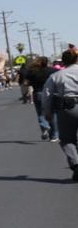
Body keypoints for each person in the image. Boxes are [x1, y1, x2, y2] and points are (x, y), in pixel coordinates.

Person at [43, 50, 78, 180]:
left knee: (68, 139)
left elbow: (47, 96)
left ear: (63, 61)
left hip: (67, 108)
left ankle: (76, 164)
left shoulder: (57, 76)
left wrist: (47, 113)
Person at [22, 56, 59, 142]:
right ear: (47, 62)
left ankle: (45, 125)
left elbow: (25, 83)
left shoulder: (32, 72)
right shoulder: (53, 70)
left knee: (41, 113)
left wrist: (31, 83)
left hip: (38, 93)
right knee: (52, 114)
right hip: (51, 93)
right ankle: (54, 136)